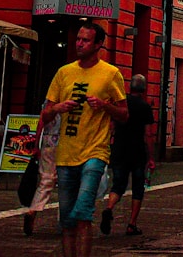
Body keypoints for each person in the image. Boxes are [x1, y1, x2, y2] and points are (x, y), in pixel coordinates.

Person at [42, 20, 128, 257]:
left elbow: (124, 114)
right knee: (67, 220)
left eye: (85, 40)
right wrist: (58, 107)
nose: (79, 43)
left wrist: (104, 106)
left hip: (95, 152)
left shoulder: (111, 74)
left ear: (98, 44)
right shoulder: (64, 72)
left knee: (82, 213)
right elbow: (46, 113)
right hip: (66, 154)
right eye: (78, 39)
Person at [99, 73, 155, 237]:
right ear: (144, 89)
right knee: (138, 188)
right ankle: (132, 224)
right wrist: (151, 157)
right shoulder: (145, 107)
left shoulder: (120, 104)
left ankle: (109, 208)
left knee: (118, 185)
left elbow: (111, 127)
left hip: (119, 149)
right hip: (137, 151)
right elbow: (148, 134)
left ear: (129, 87)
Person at [22, 106, 61, 235]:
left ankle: (33, 209)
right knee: (67, 182)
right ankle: (64, 221)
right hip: (66, 141)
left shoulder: (50, 99)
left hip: (48, 140)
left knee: (46, 180)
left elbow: (41, 121)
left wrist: (37, 143)